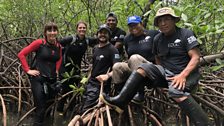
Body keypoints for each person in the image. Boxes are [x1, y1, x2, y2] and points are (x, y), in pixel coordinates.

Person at [100, 7, 211, 126]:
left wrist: (182, 75)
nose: (163, 23)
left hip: (186, 74)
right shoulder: (157, 39)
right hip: (167, 72)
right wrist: (160, 75)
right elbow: (157, 58)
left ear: (174, 20)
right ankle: (121, 100)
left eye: (167, 19)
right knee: (143, 68)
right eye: (160, 21)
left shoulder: (185, 34)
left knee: (176, 92)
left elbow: (195, 57)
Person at [102, 15, 159, 104]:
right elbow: (128, 57)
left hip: (151, 69)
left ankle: (140, 94)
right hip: (135, 69)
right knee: (117, 66)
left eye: (135, 25)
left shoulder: (153, 34)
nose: (133, 27)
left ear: (141, 24)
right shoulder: (127, 39)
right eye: (130, 26)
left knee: (135, 58)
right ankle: (119, 95)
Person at [18, 22, 62, 126]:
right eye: (49, 30)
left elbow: (59, 59)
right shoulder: (39, 43)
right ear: (45, 33)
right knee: (41, 108)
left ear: (57, 32)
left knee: (48, 109)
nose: (52, 33)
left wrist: (56, 70)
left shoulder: (58, 46)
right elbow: (21, 54)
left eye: (54, 30)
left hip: (52, 81)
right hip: (38, 79)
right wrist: (28, 70)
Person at [57, 21, 96, 114]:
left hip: (76, 69)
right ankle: (59, 111)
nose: (82, 29)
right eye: (80, 28)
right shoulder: (71, 39)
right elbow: (56, 44)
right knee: (65, 90)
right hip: (65, 69)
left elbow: (99, 40)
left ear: (86, 29)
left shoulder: (87, 40)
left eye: (84, 28)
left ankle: (71, 111)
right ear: (77, 29)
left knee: (74, 91)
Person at [82, 24, 121, 112]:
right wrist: (86, 78)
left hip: (101, 86)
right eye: (100, 32)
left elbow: (118, 68)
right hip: (90, 84)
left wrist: (107, 76)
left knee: (86, 110)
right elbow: (94, 66)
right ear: (97, 34)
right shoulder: (95, 48)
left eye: (105, 33)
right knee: (82, 105)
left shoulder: (113, 50)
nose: (102, 35)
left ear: (109, 35)